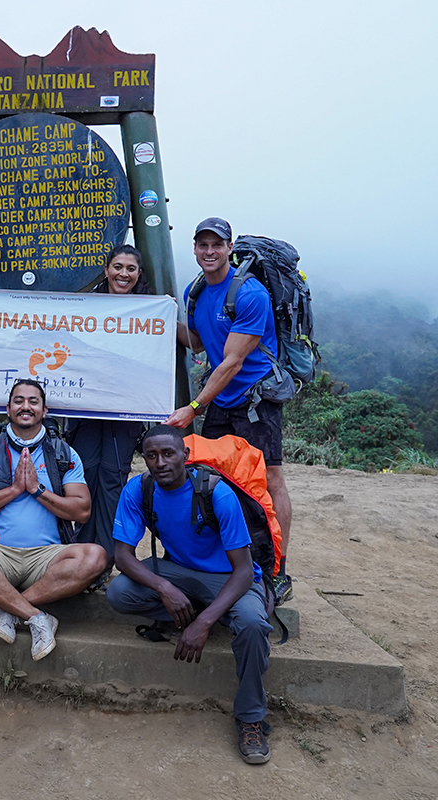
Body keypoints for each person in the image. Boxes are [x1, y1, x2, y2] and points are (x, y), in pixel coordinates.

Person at [105, 425, 274, 764]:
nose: (160, 462)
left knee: (253, 624)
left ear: (185, 455)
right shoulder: (140, 490)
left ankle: (251, 716)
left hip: (228, 578)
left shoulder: (216, 493)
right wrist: (164, 588)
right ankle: (192, 608)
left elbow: (243, 571)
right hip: (179, 573)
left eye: (168, 454)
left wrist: (204, 623)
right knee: (120, 593)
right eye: (151, 455)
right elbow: (122, 556)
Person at [168, 217, 295, 603]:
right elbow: (198, 344)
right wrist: (155, 316)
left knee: (269, 479)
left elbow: (232, 363)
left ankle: (278, 570)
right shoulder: (196, 292)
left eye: (216, 245)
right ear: (194, 248)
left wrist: (192, 407)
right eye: (202, 245)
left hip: (255, 399)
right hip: (220, 399)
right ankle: (230, 561)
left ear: (229, 248)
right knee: (212, 477)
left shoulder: (250, 293)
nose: (209, 252)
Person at [0, 380, 106, 661]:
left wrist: (37, 490)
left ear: (44, 410)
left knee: (95, 556)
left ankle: (9, 608)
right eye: (19, 401)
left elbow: (81, 511)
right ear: (8, 409)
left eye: (33, 401)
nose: (26, 407)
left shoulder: (63, 453)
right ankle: (36, 616)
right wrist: (14, 490)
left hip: (46, 558)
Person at [66, 244, 151, 569]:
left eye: (130, 268)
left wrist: (166, 311)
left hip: (125, 413)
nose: (123, 274)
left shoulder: (149, 311)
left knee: (113, 479)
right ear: (106, 270)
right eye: (118, 267)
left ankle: (106, 559)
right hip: (85, 410)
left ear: (138, 274)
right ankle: (80, 556)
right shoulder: (86, 306)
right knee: (84, 477)